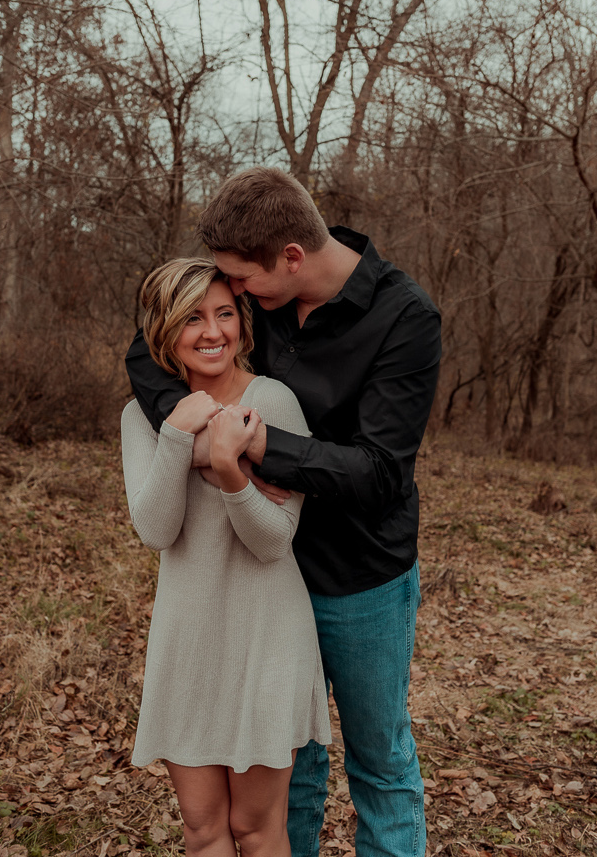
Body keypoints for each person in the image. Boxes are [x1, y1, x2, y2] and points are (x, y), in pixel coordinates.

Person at [126, 168, 441, 857]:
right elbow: (149, 353)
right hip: (258, 585)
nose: (234, 295)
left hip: (359, 573)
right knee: (290, 775)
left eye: (242, 284)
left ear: (291, 258)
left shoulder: (405, 318)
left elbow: (381, 472)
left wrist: (258, 447)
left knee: (378, 763)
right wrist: (195, 431)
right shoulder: (254, 292)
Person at [122, 257, 329, 857]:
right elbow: (156, 529)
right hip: (188, 636)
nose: (213, 332)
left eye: (224, 314)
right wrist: (178, 436)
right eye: (193, 318)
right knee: (202, 827)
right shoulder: (143, 416)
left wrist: (227, 471)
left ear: (242, 322)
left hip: (266, 630)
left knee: (256, 830)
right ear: (165, 329)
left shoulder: (273, 401)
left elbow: (272, 541)